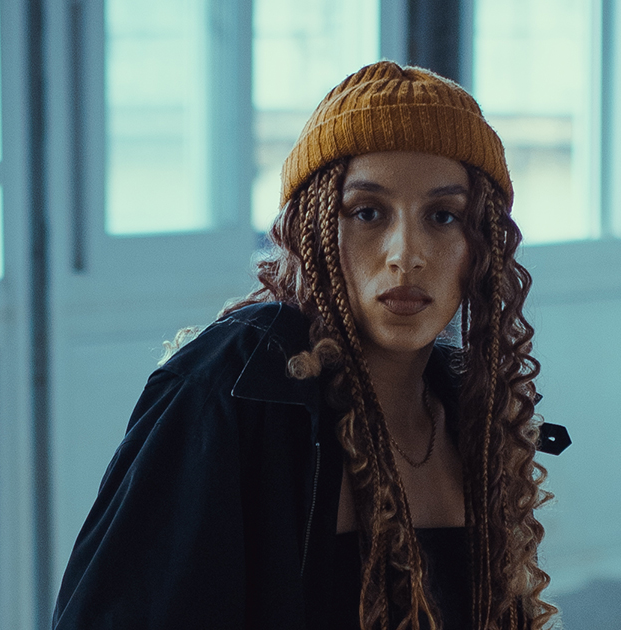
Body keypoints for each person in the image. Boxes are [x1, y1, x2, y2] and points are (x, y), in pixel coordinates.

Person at [52, 61, 569, 630]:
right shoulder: (235, 389)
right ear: (314, 230)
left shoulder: (472, 415)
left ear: (482, 247)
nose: (406, 253)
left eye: (443, 216)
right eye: (368, 213)